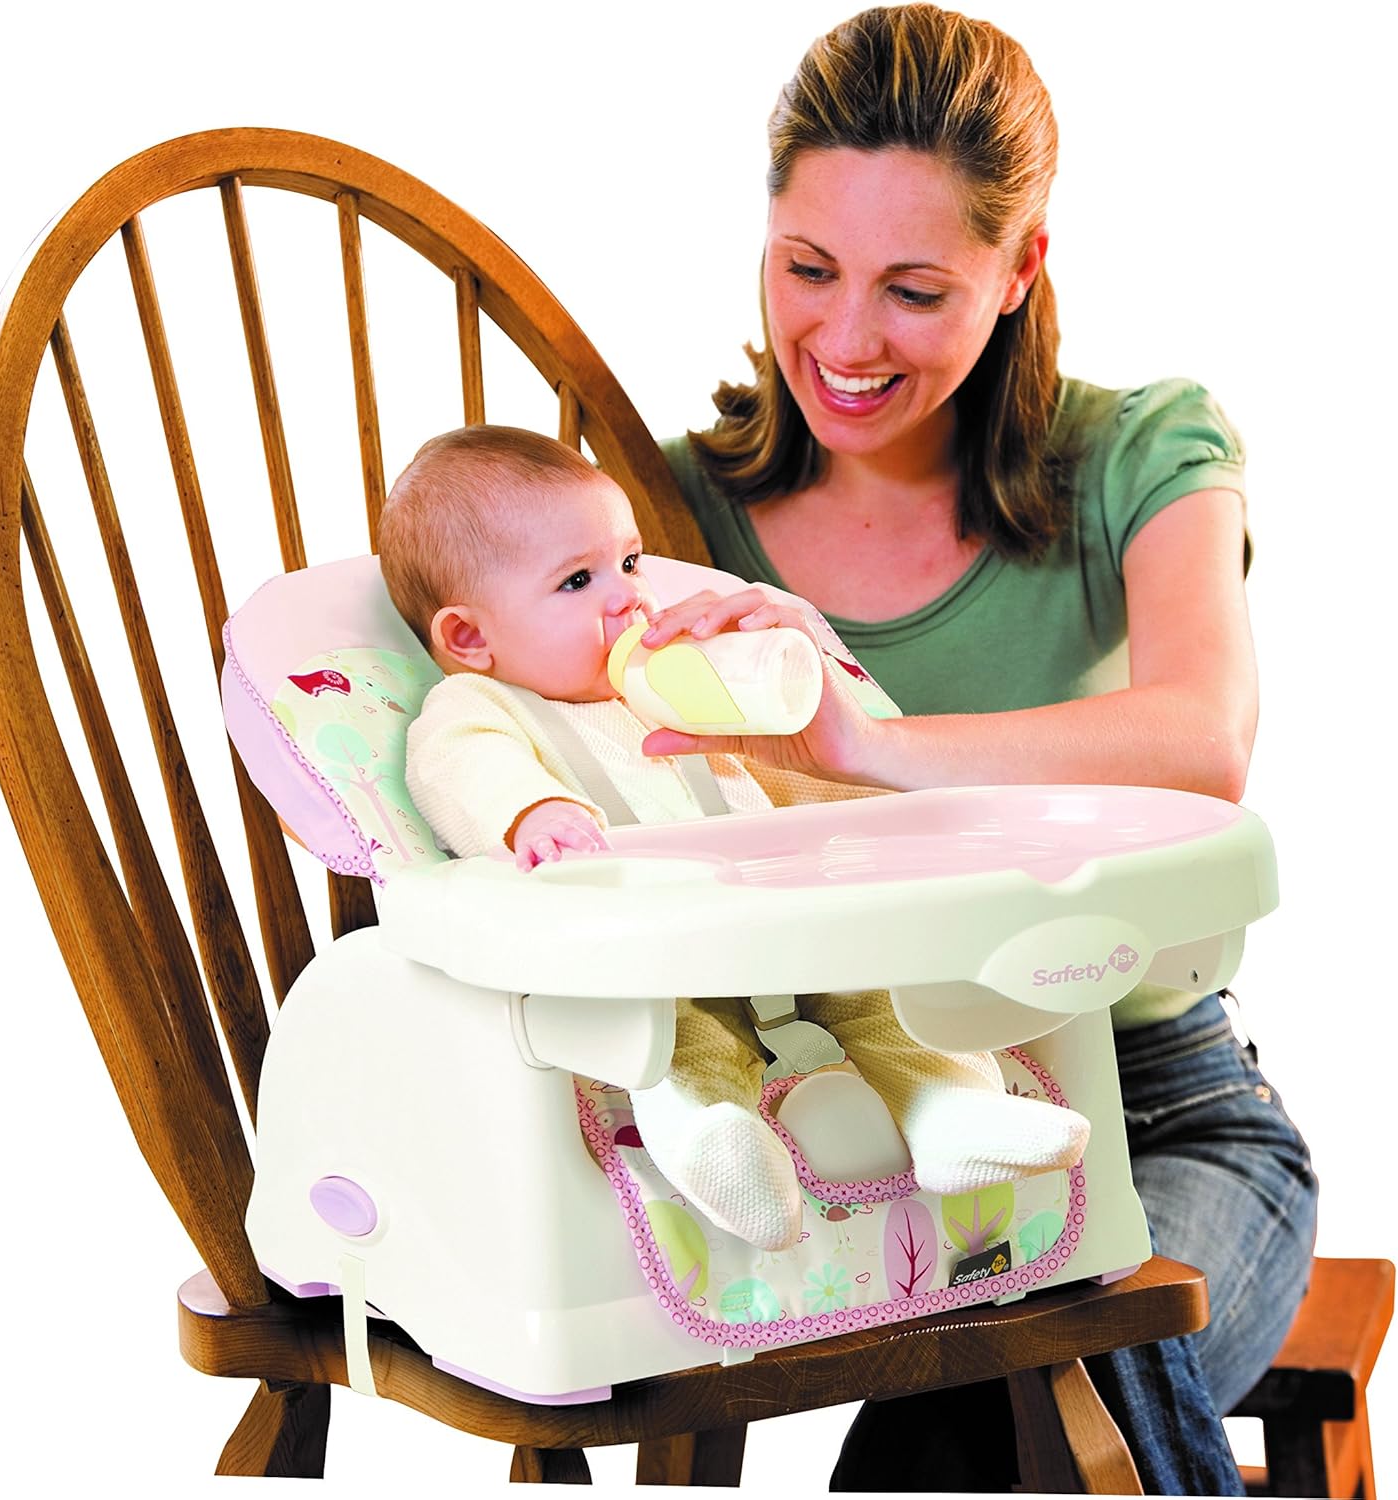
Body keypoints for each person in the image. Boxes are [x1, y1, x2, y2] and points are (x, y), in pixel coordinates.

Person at [630, 5, 1319, 1493]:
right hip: (839, 1118)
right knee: (966, 1429)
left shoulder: (1145, 455)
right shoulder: (665, 514)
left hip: (1157, 1110)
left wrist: (863, 742)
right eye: (807, 267)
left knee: (992, 1425)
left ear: (1018, 272)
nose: (844, 339)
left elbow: (1202, 738)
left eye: (915, 289)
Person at [379, 421, 1091, 1253]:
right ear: (470, 638)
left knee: (889, 997)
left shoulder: (677, 694)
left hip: (788, 927)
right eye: (578, 580)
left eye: (631, 562)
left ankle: (953, 1112)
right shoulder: (485, 707)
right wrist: (531, 813)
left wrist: (846, 770)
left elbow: (800, 782)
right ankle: (717, 1145)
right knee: (680, 1049)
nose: (629, 598)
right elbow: (457, 766)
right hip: (655, 962)